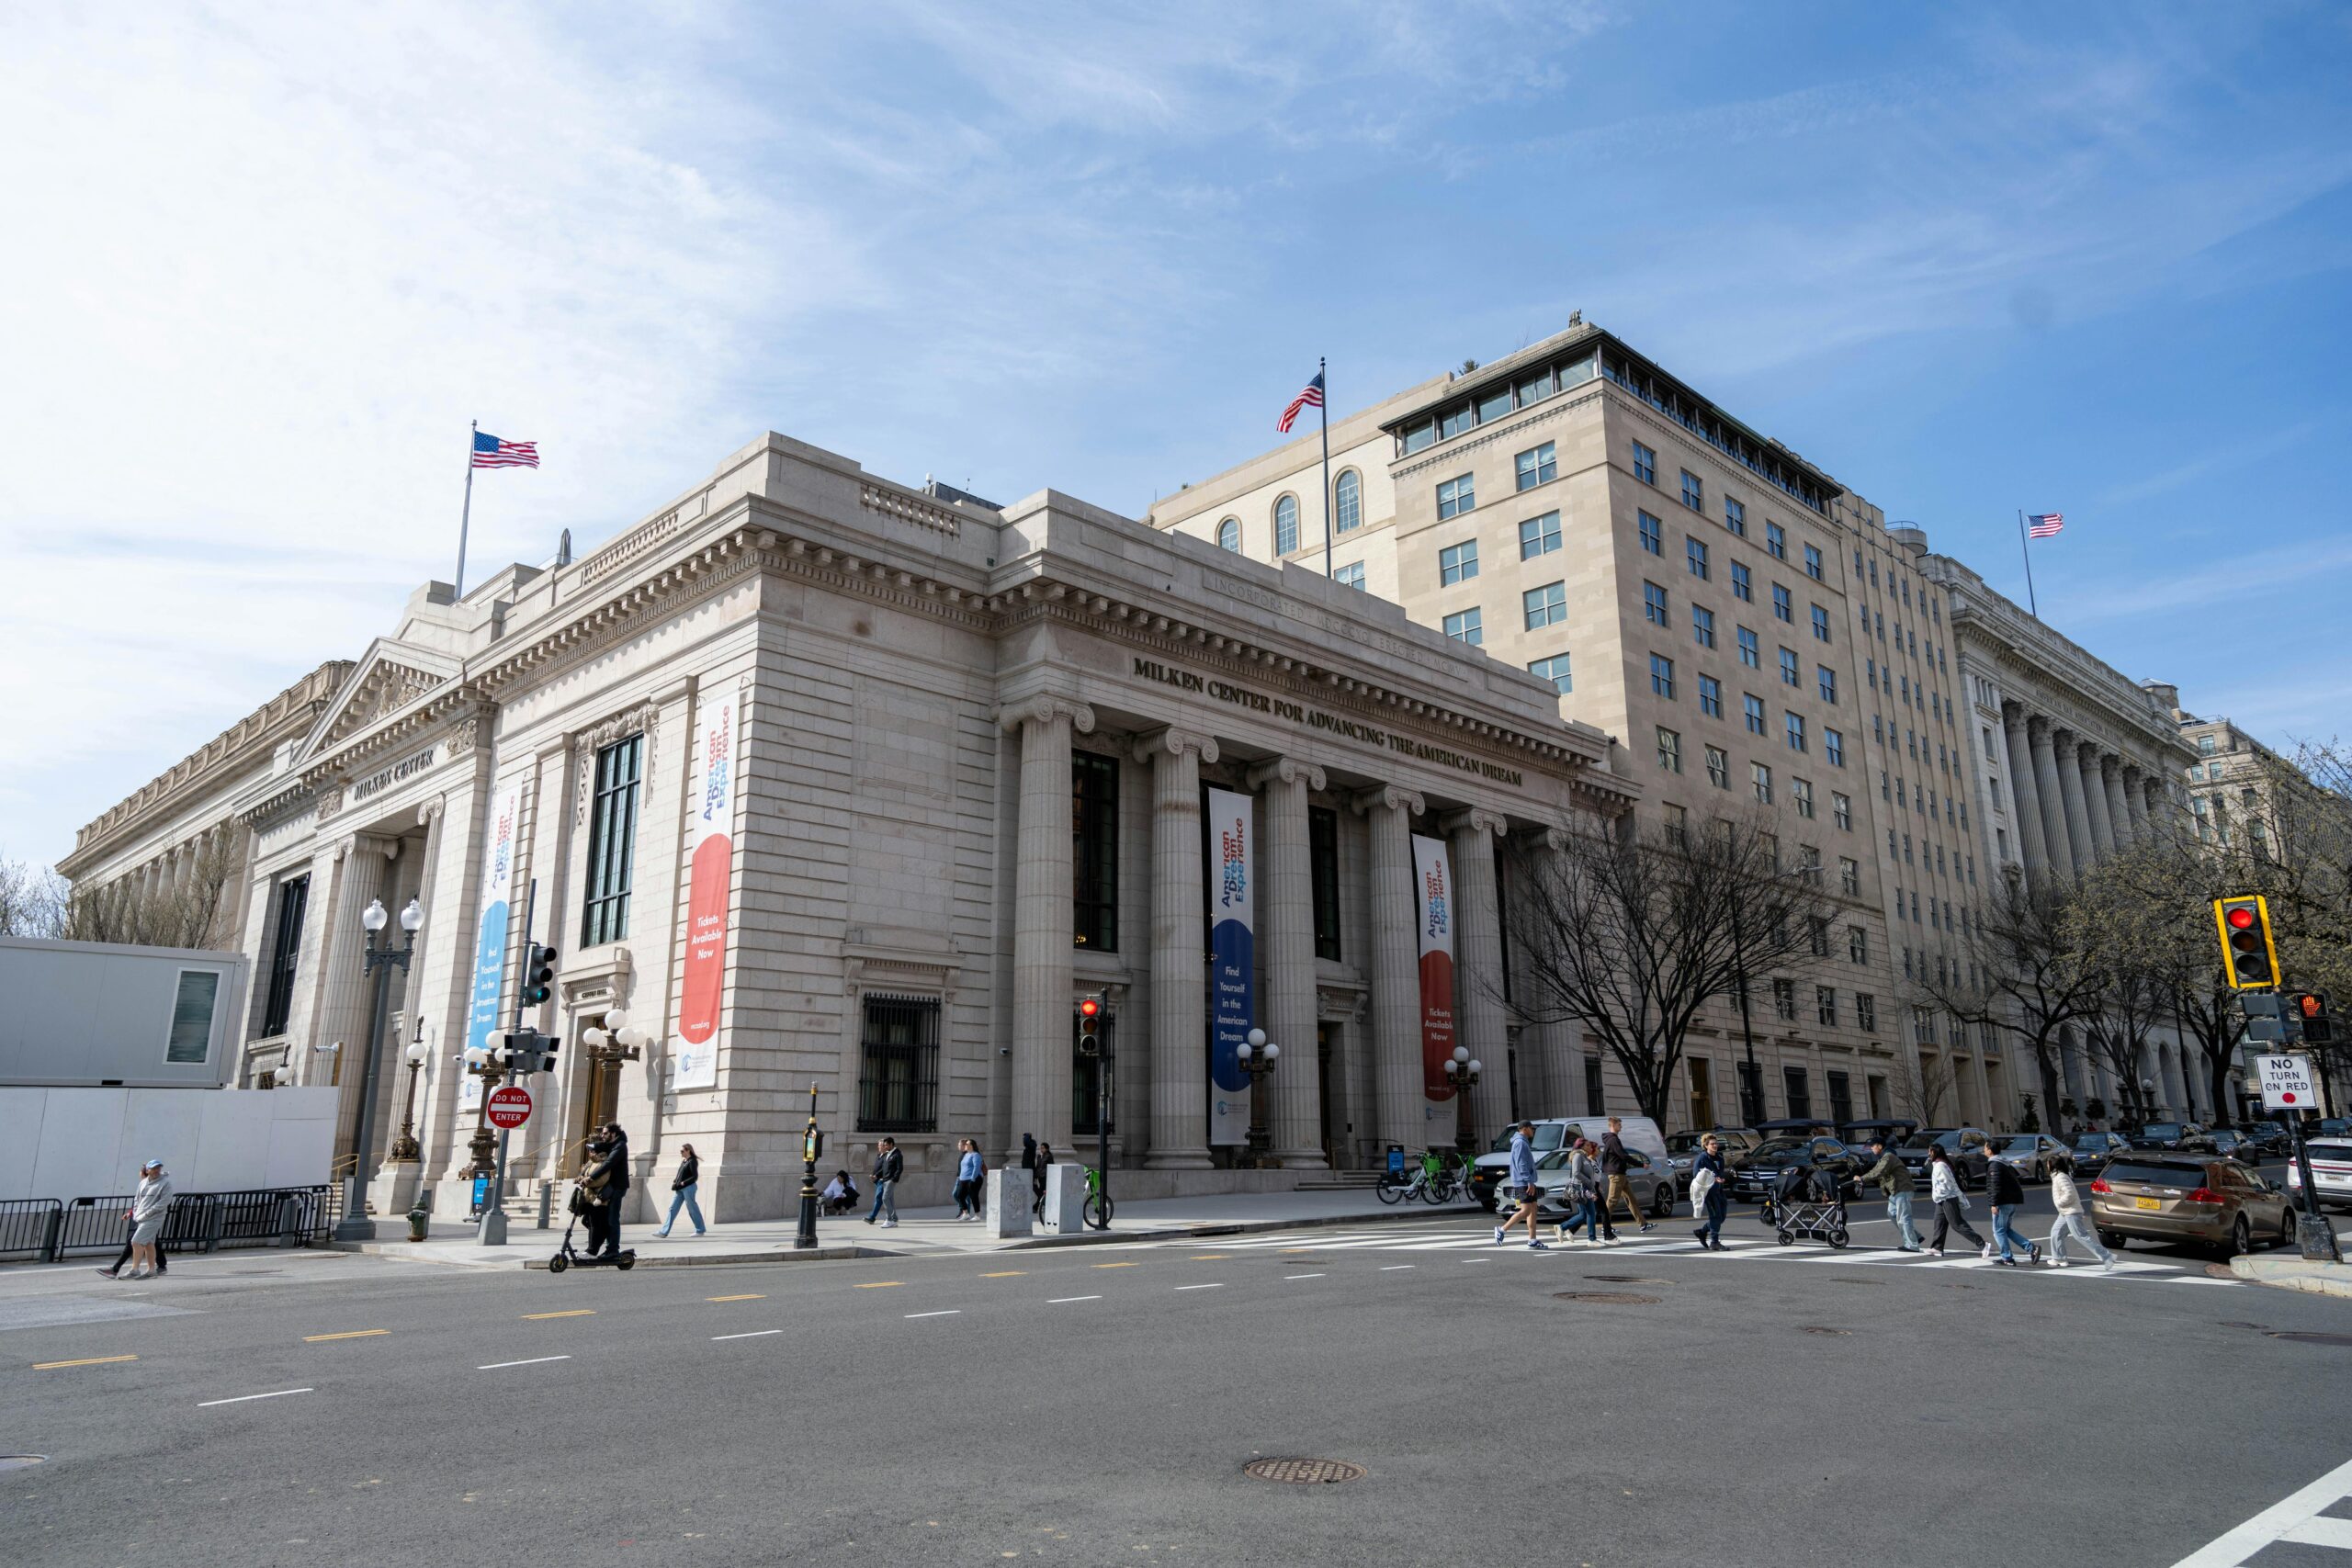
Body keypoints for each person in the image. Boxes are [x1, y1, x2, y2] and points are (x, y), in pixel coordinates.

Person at [2045, 1154, 2115, 1270]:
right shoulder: (2058, 1176)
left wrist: (2059, 1203)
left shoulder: (2061, 1177)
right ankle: (2059, 1258)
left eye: (2048, 1163)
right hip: (2065, 1212)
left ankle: (2107, 1257)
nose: (2047, 1165)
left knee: (2081, 1236)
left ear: (2052, 1164)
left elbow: (2070, 1194)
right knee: (2056, 1232)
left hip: (2071, 1212)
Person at [107, 1159, 173, 1280]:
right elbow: (137, 1200)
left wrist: (147, 1213)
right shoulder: (143, 1183)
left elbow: (164, 1202)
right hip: (142, 1217)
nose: (156, 1170)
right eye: (154, 1168)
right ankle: (151, 1270)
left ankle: (135, 1270)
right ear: (148, 1170)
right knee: (149, 1243)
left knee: (135, 1242)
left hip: (154, 1217)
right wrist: (136, 1213)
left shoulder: (165, 1183)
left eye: (158, 1168)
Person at [578, 1123, 631, 1259]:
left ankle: (613, 1250)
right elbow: (602, 1146)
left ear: (613, 1134)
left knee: (613, 1219)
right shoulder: (613, 1144)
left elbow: (608, 1164)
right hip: (609, 1186)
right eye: (602, 1133)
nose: (602, 1135)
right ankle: (602, 1244)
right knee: (598, 1220)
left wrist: (591, 1177)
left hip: (618, 1187)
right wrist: (592, 1146)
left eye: (605, 1133)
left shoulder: (620, 1146)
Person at [1924, 1145, 1986, 1259]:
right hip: (1941, 1199)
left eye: (1930, 1152)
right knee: (1939, 1223)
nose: (1928, 1154)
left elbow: (1947, 1183)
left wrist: (1939, 1193)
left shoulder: (1941, 1165)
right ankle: (1937, 1247)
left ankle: (1982, 1244)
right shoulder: (1938, 1164)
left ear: (1935, 1152)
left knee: (1957, 1224)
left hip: (1947, 1198)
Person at [1492, 1122, 1548, 1249]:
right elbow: (1521, 1164)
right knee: (1526, 1210)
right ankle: (1501, 1230)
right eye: (1532, 1129)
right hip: (1523, 1182)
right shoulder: (1520, 1143)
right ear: (1525, 1129)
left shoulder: (1522, 1142)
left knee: (1533, 1209)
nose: (1533, 1131)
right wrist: (1528, 1181)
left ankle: (1532, 1240)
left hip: (1526, 1181)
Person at [1861, 1139, 1922, 1252]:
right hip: (1896, 1191)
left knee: (1903, 1218)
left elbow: (1878, 1172)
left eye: (1873, 1146)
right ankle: (1915, 1236)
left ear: (1880, 1146)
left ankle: (1912, 1245)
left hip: (1902, 1189)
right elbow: (1875, 1171)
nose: (1871, 1148)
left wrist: (1861, 1179)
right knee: (1892, 1213)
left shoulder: (1888, 1157)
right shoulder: (1883, 1158)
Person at [1983, 1151, 2040, 1267]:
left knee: (1998, 1231)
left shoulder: (1994, 1165)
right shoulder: (2005, 1163)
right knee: (2006, 1230)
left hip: (2002, 1203)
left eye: (1985, 1147)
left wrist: (1993, 1204)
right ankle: (2031, 1248)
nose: (1984, 1149)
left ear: (1989, 1150)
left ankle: (2007, 1258)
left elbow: (1994, 1186)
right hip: (2011, 1202)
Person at [1600, 1116, 1653, 1235]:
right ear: (1612, 1125)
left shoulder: (1612, 1139)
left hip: (1621, 1174)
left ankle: (1643, 1224)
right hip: (1616, 1174)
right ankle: (1605, 1226)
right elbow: (1624, 1156)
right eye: (1619, 1124)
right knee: (1612, 1201)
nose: (1621, 1126)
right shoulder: (1613, 1140)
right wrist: (1641, 1164)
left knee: (1631, 1199)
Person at [1555, 1139, 1605, 1245]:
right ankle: (1591, 1239)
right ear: (1581, 1146)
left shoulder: (1585, 1157)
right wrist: (1588, 1182)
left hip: (1586, 1188)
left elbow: (1590, 1175)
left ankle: (1562, 1227)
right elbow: (1576, 1173)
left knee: (1584, 1214)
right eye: (1587, 1145)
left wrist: (1593, 1189)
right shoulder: (1578, 1156)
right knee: (1591, 1213)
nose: (1590, 1147)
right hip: (1581, 1188)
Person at [655, 1143, 706, 1239]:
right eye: (680, 1151)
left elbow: (694, 1177)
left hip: (689, 1188)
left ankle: (700, 1230)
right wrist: (676, 1182)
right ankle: (663, 1232)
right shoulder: (684, 1161)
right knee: (672, 1209)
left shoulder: (692, 1161)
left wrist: (683, 1183)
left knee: (692, 1209)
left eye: (682, 1151)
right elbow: (680, 1174)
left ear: (688, 1151)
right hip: (680, 1189)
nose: (681, 1153)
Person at [1690, 1134, 1730, 1251]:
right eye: (1712, 1144)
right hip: (1708, 1192)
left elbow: (1720, 1173)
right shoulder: (1702, 1158)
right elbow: (1696, 1175)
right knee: (1715, 1216)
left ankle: (1702, 1232)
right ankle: (1714, 1242)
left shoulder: (1719, 1158)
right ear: (1706, 1146)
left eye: (1716, 1143)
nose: (1715, 1145)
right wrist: (1712, 1179)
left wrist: (1721, 1179)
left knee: (1721, 1217)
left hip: (1719, 1190)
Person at [865, 1136, 903, 1227]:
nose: (885, 1147)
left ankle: (889, 1219)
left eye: (886, 1145)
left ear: (891, 1144)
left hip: (890, 1180)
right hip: (884, 1180)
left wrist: (893, 1179)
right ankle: (894, 1219)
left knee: (884, 1198)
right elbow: (884, 1168)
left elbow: (900, 1168)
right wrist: (876, 1176)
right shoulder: (887, 1154)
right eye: (884, 1145)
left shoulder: (897, 1154)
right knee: (890, 1199)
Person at [953, 1138, 985, 1220]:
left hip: (973, 1179)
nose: (965, 1145)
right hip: (963, 1179)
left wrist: (973, 1178)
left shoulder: (976, 1155)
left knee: (974, 1196)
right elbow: (963, 1167)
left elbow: (976, 1167)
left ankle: (977, 1215)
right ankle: (966, 1213)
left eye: (967, 1144)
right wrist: (960, 1177)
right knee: (960, 1195)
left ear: (971, 1146)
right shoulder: (966, 1155)